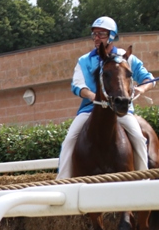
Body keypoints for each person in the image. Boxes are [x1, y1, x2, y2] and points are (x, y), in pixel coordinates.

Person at [56, 16, 155, 180]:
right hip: (91, 109)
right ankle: (63, 182)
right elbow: (77, 85)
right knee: (69, 140)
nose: (96, 38)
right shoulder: (84, 61)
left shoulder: (126, 57)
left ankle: (143, 180)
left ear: (111, 36)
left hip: (120, 110)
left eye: (101, 34)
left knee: (138, 137)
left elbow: (148, 79)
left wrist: (141, 89)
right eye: (94, 34)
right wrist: (92, 95)